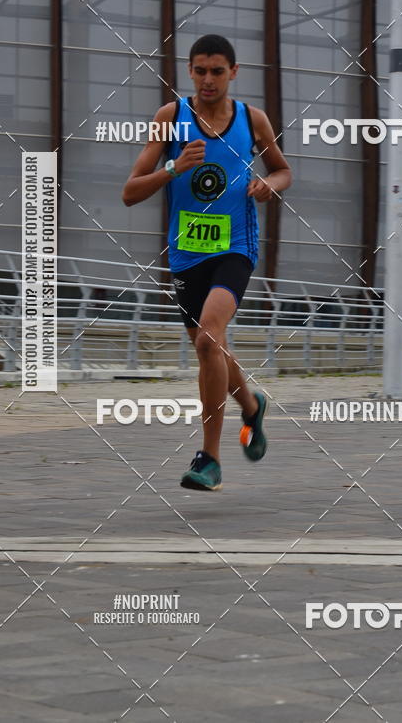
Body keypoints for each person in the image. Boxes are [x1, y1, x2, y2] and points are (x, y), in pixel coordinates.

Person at [122, 34, 291, 491]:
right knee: (210, 346)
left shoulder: (252, 120)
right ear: (189, 71)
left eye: (218, 71)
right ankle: (251, 407)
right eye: (200, 70)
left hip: (236, 247)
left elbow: (282, 168)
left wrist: (269, 185)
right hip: (186, 254)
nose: (208, 79)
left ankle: (209, 459)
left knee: (208, 341)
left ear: (234, 72)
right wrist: (174, 168)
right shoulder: (170, 119)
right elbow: (130, 193)